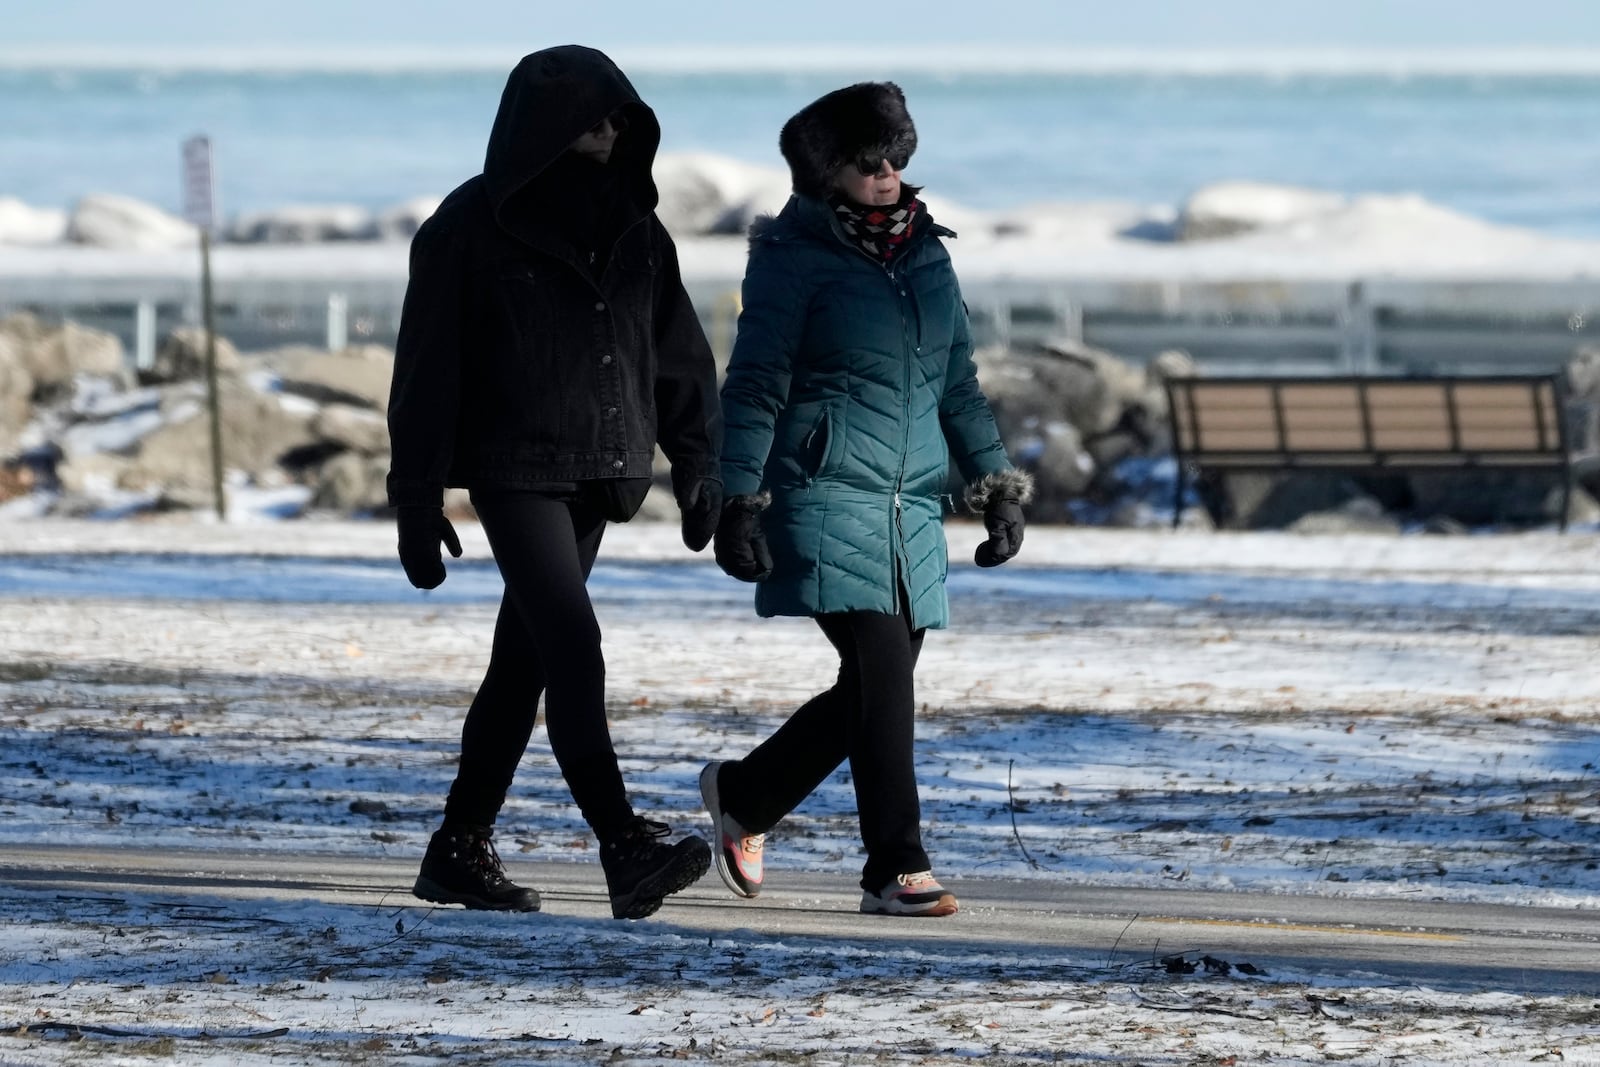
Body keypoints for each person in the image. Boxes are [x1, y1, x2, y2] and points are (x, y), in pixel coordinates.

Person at [386, 45, 721, 920]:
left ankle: (458, 849)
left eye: (616, 119)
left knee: (522, 665)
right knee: (573, 645)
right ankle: (624, 845)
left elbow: (678, 355)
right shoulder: (467, 228)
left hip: (603, 473)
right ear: (538, 131)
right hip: (514, 471)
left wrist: (699, 464)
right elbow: (424, 374)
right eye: (586, 123)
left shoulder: (638, 226)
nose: (606, 136)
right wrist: (416, 503)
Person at [701, 82, 1032, 918]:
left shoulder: (927, 253)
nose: (886, 175)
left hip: (910, 504)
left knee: (874, 685)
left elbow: (958, 384)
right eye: (866, 163)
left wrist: (994, 487)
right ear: (827, 172)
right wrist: (739, 496)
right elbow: (754, 385)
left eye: (895, 159)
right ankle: (897, 864)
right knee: (883, 674)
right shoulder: (791, 259)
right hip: (820, 492)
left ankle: (746, 794)